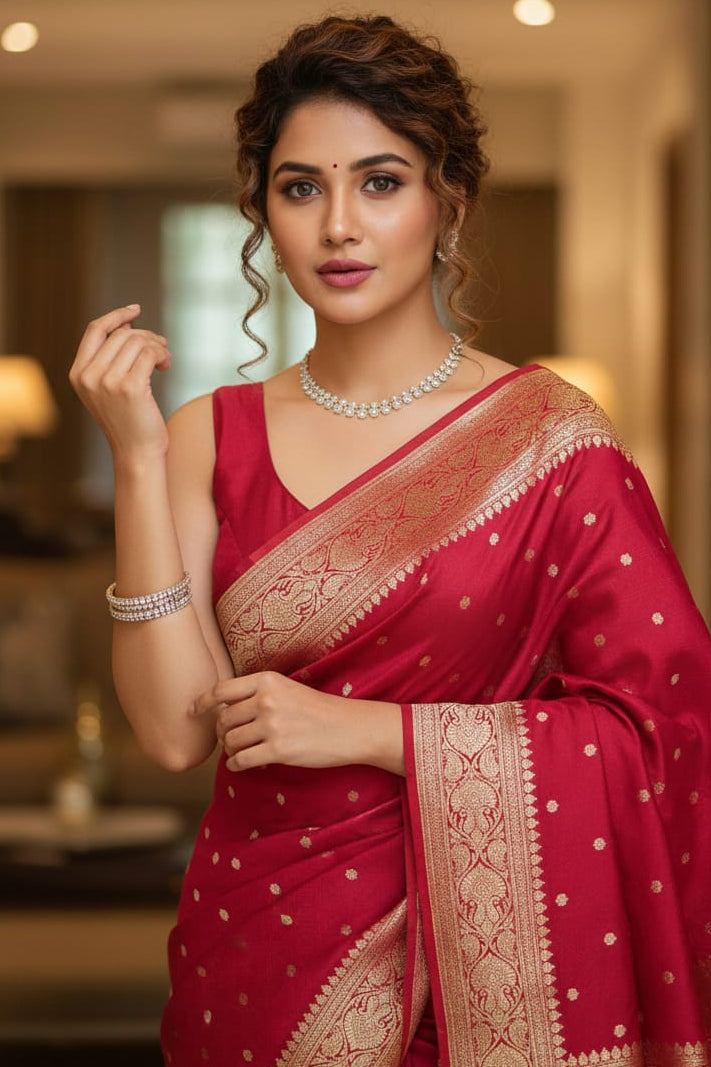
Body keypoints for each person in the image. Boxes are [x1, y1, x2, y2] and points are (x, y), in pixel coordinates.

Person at [69, 14, 710, 1067]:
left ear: (446, 199)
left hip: (476, 982)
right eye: (300, 188)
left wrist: (376, 733)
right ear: (263, 213)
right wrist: (137, 459)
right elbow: (177, 734)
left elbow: (662, 726)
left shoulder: (550, 442)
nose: (339, 226)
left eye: (379, 182)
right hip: (259, 948)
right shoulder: (207, 435)